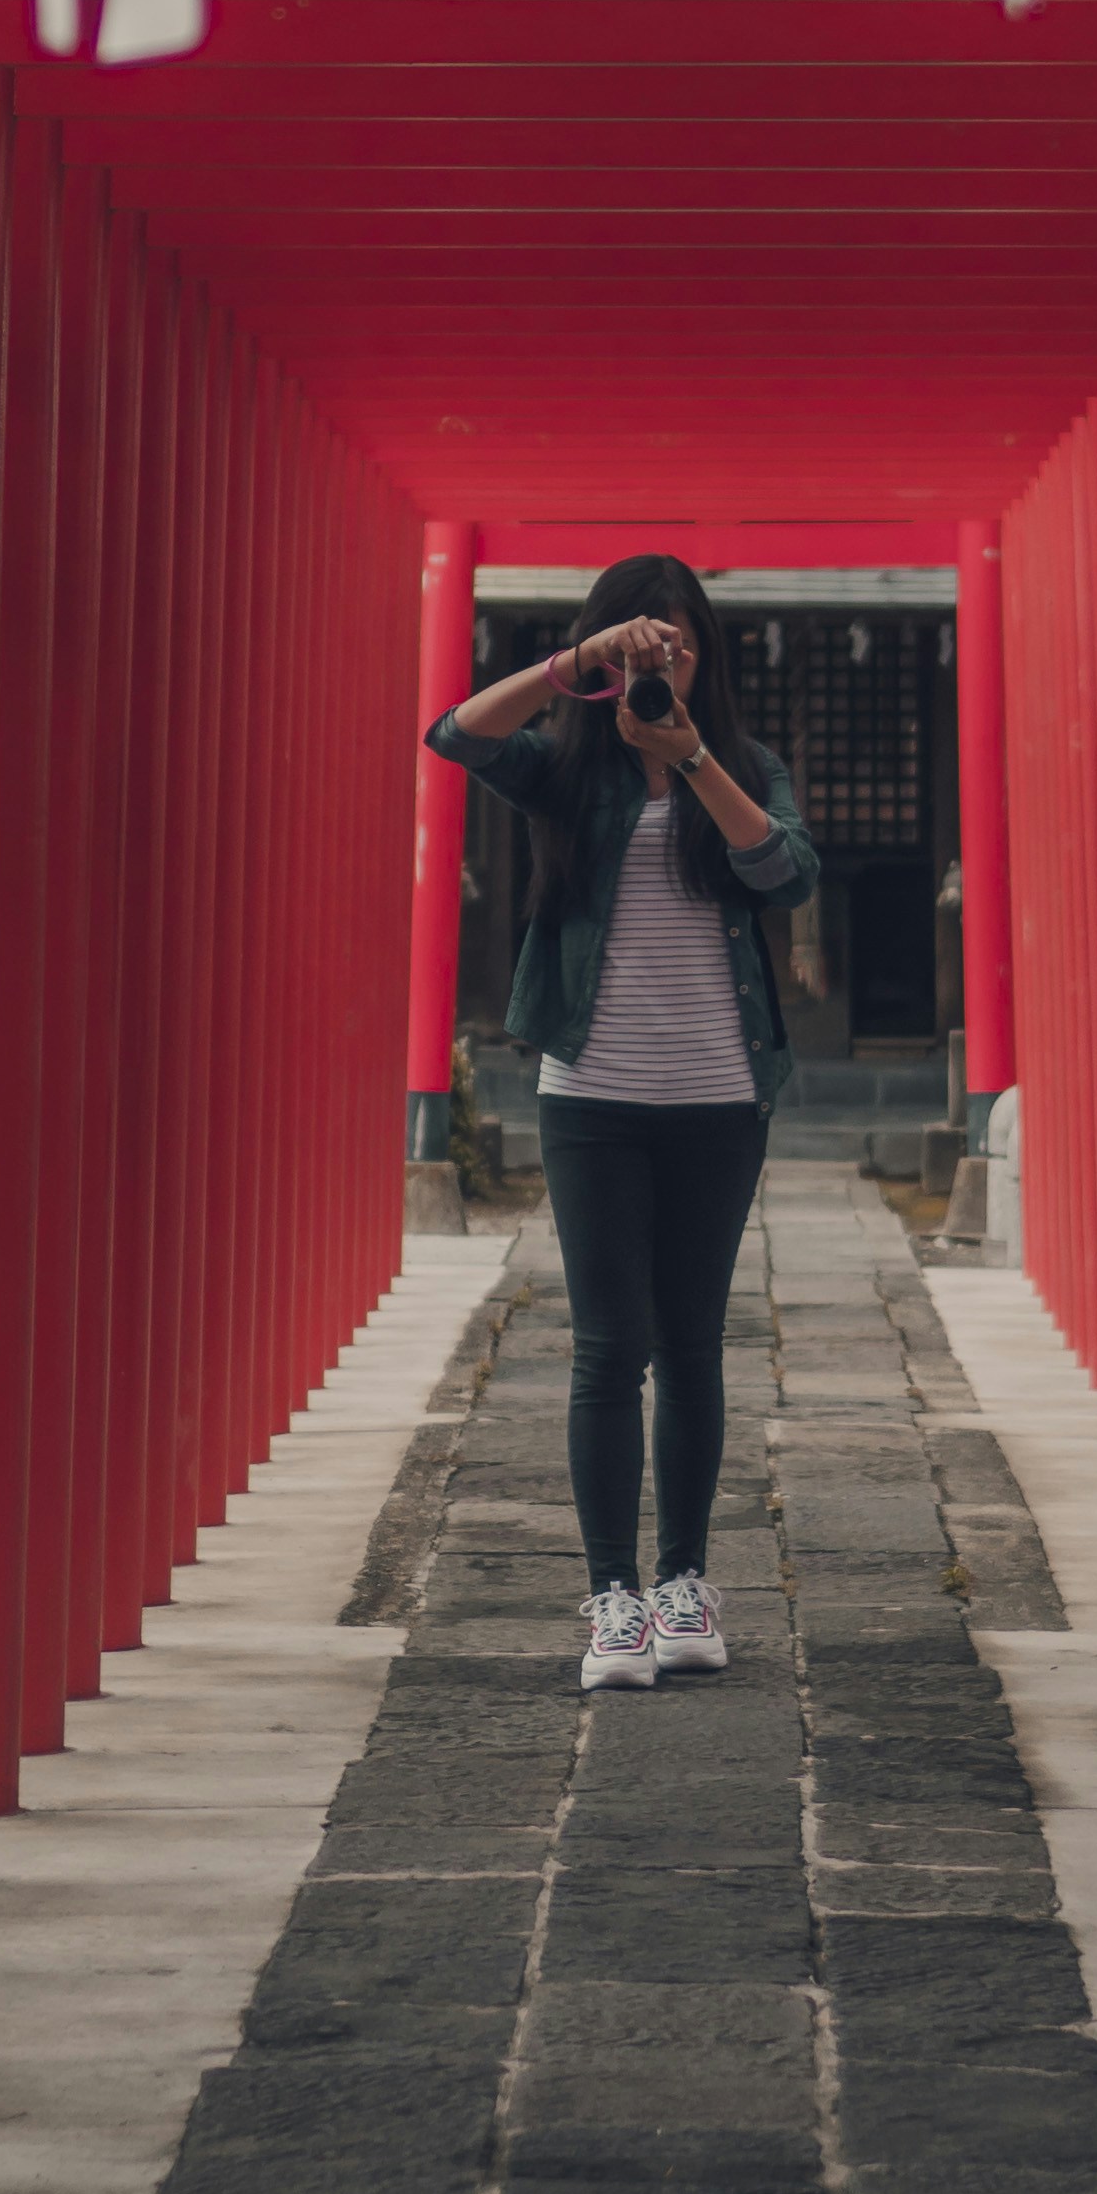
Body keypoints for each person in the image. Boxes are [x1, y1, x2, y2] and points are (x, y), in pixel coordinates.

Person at [424, 555, 820, 1689]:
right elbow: (454, 735)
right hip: (592, 1095)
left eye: (680, 642)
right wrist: (575, 666)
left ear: (709, 653)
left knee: (695, 1343)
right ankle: (613, 1600)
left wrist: (689, 755)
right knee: (610, 1348)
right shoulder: (565, 773)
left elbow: (784, 876)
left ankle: (686, 1584)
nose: (664, 661)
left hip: (717, 1094)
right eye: (644, 643)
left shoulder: (744, 765)